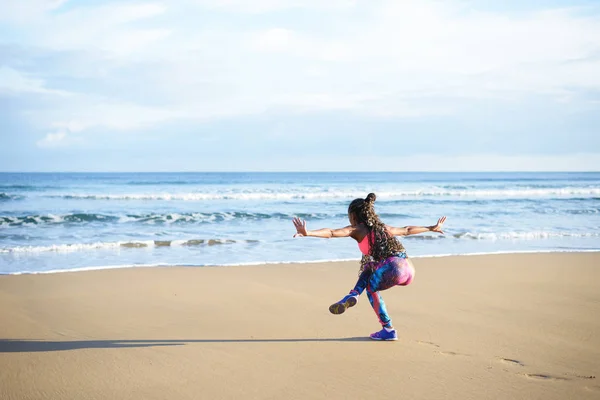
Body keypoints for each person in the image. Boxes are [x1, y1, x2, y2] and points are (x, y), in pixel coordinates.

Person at [292, 193, 446, 341]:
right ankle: (354, 295)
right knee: (371, 265)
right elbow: (407, 230)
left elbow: (332, 233)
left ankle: (386, 328)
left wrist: (308, 232)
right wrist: (431, 227)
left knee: (371, 283)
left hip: (393, 268)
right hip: (409, 270)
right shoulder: (384, 228)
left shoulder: (358, 229)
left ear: (353, 216)